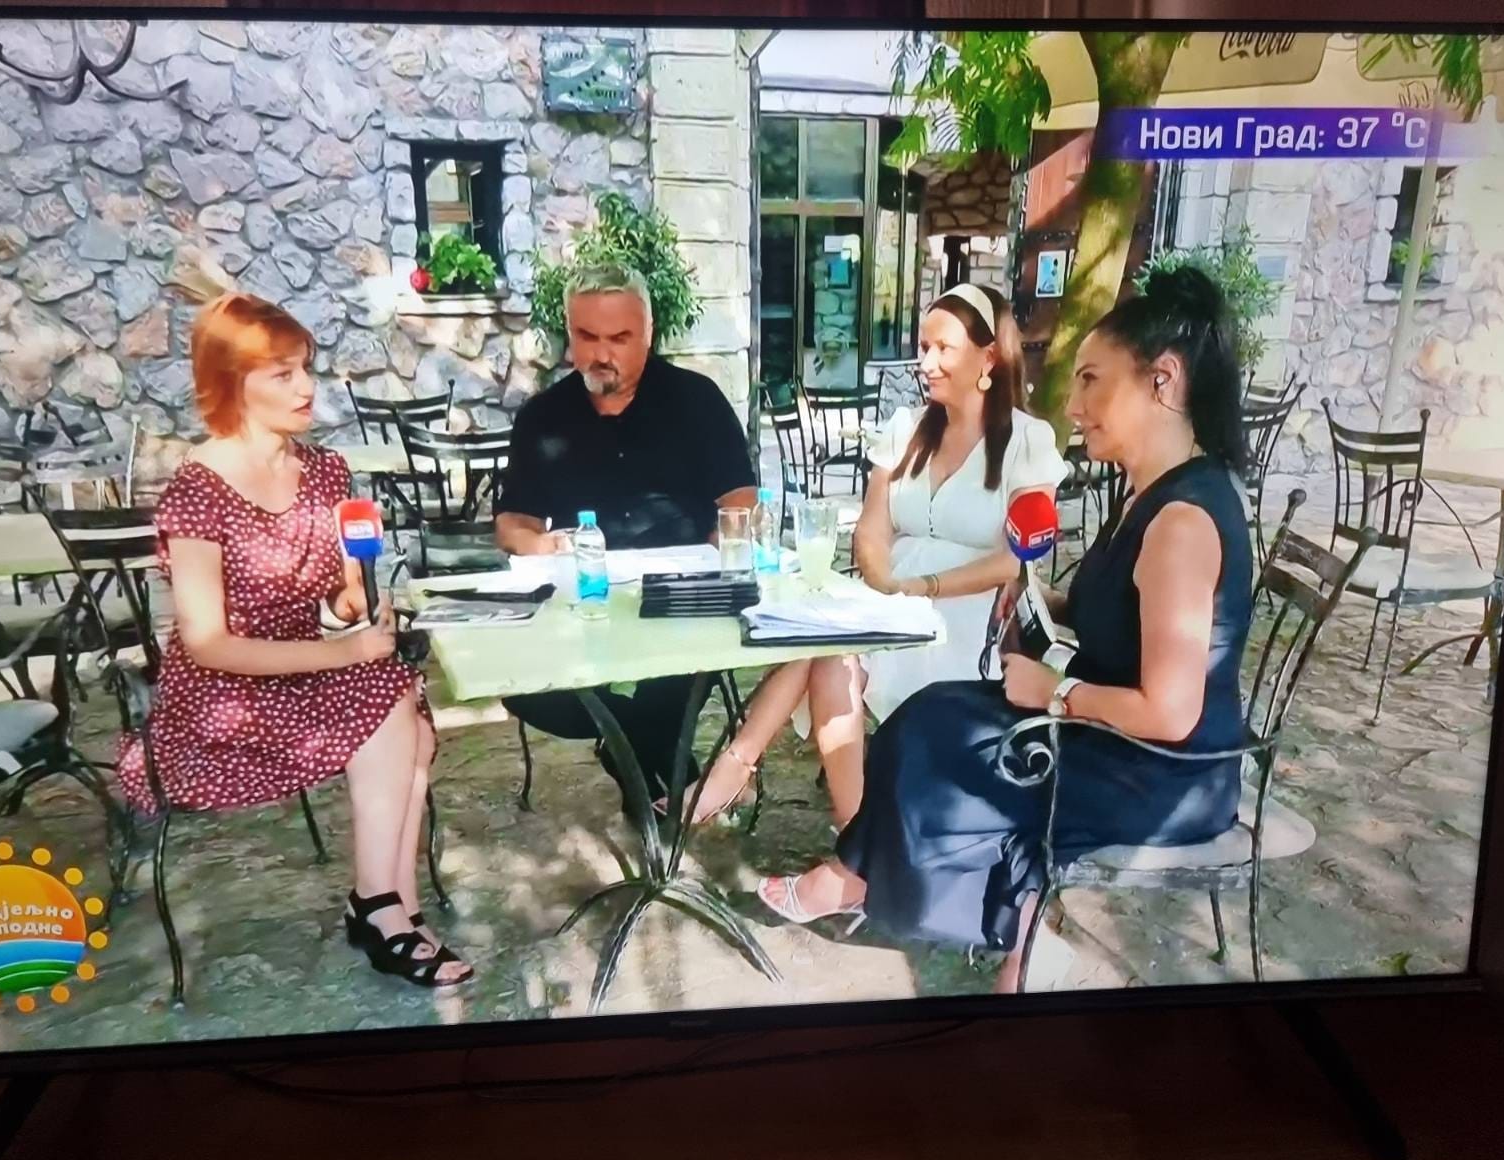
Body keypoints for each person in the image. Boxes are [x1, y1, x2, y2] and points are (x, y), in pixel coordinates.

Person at [758, 265, 1254, 994]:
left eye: (1091, 381)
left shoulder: (1182, 520)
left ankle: (886, 887)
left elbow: (1172, 714)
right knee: (931, 715)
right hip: (1116, 742)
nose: (1073, 405)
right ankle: (960, 915)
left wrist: (1056, 693)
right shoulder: (1148, 495)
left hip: (1158, 775)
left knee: (945, 750)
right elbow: (1124, 614)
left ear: (1163, 380)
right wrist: (1038, 596)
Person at [115, 292, 470, 989]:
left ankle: (387, 906)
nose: (307, 387)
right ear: (231, 384)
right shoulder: (197, 492)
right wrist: (344, 651)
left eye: (306, 368)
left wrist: (354, 604)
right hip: (225, 692)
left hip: (308, 666)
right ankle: (383, 910)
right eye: (282, 374)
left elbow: (342, 593)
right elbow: (208, 643)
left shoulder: (326, 471)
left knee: (404, 709)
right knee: (388, 708)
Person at [684, 284, 1067, 829]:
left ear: (988, 358)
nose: (925, 363)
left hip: (968, 610)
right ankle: (856, 833)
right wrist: (884, 583)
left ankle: (737, 768)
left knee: (825, 643)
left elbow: (1016, 562)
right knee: (827, 648)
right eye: (924, 347)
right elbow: (870, 529)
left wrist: (919, 590)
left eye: (943, 349)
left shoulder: (1027, 442)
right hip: (892, 594)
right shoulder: (907, 429)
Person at [496, 263, 758, 808]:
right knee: (523, 686)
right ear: (569, 335)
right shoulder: (543, 417)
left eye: (619, 338)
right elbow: (512, 523)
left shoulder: (696, 400)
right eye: (587, 337)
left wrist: (721, 550)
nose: (601, 354)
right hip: (583, 607)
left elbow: (740, 502)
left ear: (648, 334)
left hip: (680, 605)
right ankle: (668, 783)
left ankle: (647, 785)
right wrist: (541, 546)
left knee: (666, 678)